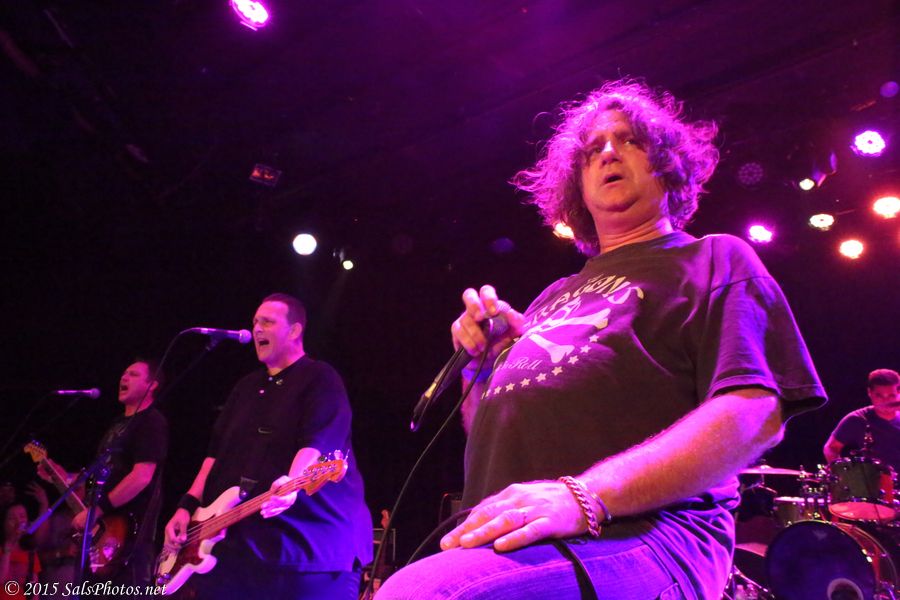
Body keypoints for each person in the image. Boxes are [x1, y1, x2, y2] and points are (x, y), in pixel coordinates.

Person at [376, 79, 826, 600]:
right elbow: (490, 431)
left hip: (647, 534)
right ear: (577, 185)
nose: (608, 152)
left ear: (667, 165)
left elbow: (754, 411)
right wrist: (480, 368)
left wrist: (584, 495)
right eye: (592, 150)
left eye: (630, 140)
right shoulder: (552, 297)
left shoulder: (713, 259)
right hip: (518, 541)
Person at [163, 293, 372, 600]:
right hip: (241, 554)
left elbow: (316, 443)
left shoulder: (320, 377)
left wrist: (292, 481)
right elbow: (214, 456)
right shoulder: (245, 387)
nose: (257, 328)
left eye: (268, 322)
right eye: (255, 322)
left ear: (295, 330)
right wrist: (187, 506)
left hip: (309, 551)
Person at [37, 359, 168, 595]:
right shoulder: (117, 425)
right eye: (124, 373)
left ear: (152, 385)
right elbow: (100, 477)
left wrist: (97, 510)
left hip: (128, 542)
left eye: (133, 374)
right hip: (99, 540)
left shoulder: (151, 421)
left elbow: (142, 476)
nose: (123, 378)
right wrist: (63, 478)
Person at [823, 368, 900, 471]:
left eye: (891, 396)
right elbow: (831, 448)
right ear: (869, 392)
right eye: (879, 396)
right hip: (874, 479)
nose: (885, 401)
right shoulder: (857, 419)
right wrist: (843, 473)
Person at [1, 503, 41, 599]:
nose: (18, 522)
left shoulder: (30, 552)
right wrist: (8, 547)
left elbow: (34, 589)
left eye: (22, 516)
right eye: (12, 518)